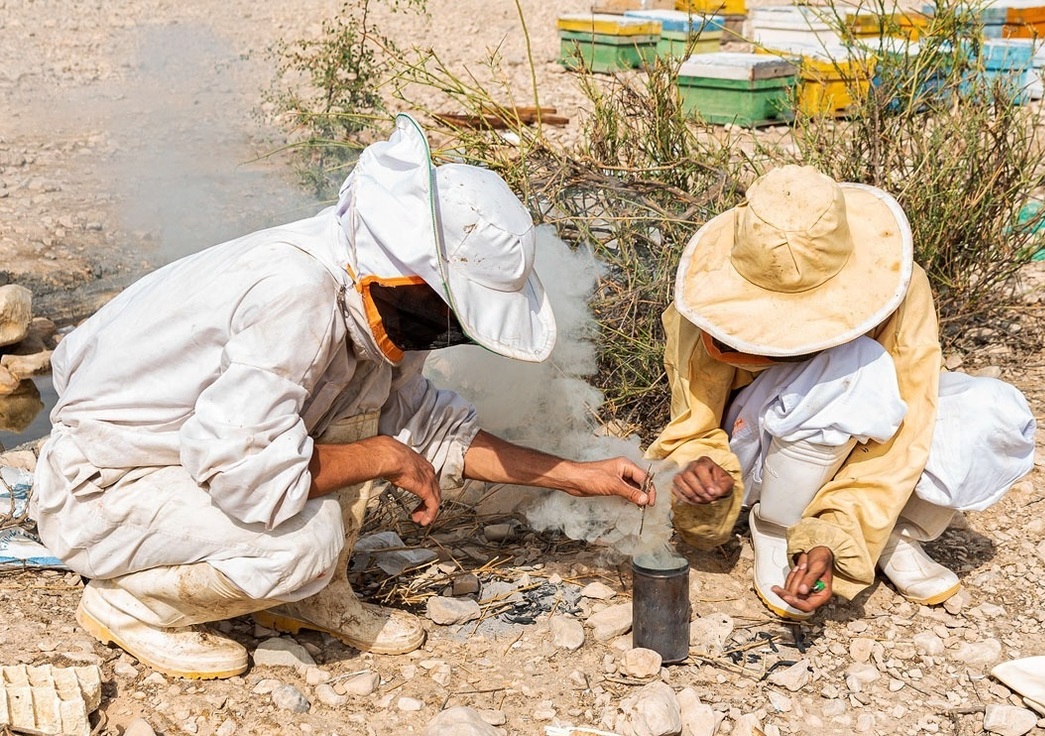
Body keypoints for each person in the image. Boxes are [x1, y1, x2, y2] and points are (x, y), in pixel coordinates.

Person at [29, 115, 654, 679]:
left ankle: (307, 596)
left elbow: (426, 427)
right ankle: (128, 604)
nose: (448, 332)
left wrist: (574, 474)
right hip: (106, 490)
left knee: (355, 437)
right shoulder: (297, 294)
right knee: (307, 540)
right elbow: (245, 473)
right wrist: (382, 455)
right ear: (412, 278)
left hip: (179, 469)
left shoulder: (363, 294)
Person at [646, 165, 1036, 620]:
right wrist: (699, 474)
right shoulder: (706, 302)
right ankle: (777, 525)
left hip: (857, 431)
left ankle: (890, 531)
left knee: (990, 410)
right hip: (760, 457)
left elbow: (909, 425)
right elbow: (693, 423)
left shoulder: (907, 289)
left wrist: (833, 542)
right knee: (853, 370)